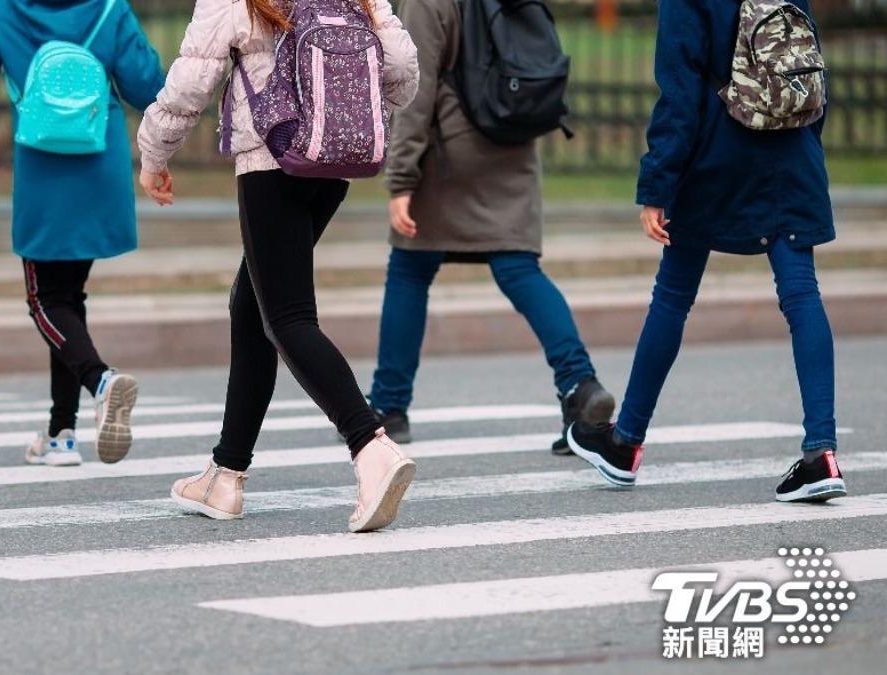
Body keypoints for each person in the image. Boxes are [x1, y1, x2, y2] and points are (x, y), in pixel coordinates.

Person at [138, 0, 420, 531]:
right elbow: (402, 70)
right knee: (250, 306)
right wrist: (348, 103)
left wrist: (154, 154)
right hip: (335, 159)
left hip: (273, 157)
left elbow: (191, 81)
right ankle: (225, 475)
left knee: (287, 316)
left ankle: (370, 445)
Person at [567, 0, 846, 503]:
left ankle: (625, 443)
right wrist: (803, 148)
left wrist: (658, 184)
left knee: (672, 296)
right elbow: (811, 70)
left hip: (716, 160)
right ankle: (821, 455)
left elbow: (680, 93)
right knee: (802, 294)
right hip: (793, 154)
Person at [371, 0, 614, 450]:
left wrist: (401, 177)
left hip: (450, 154)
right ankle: (579, 385)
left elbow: (413, 88)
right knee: (519, 269)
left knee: (409, 268)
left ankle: (389, 407)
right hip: (513, 139)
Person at [0, 0, 164, 466]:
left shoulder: (4, 10)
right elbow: (147, 87)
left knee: (45, 301)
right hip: (98, 166)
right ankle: (62, 433)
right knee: (67, 300)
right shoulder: (109, 9)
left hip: (42, 171)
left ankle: (100, 380)